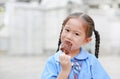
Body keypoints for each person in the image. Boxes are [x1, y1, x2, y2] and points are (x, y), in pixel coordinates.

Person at [41, 12, 110, 79]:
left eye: (76, 34)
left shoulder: (91, 62)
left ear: (86, 40)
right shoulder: (53, 61)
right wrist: (65, 71)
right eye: (67, 30)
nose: (69, 36)